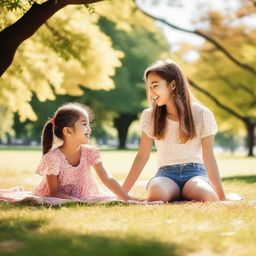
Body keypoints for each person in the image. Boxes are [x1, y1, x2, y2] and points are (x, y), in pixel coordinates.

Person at [122, 59, 226, 203]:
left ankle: (187, 193)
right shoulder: (149, 116)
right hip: (165, 175)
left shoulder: (202, 114)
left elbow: (209, 157)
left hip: (195, 174)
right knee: (157, 194)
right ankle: (178, 194)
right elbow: (142, 156)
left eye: (155, 86)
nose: (151, 92)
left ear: (173, 84)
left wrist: (222, 197)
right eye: (149, 87)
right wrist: (122, 193)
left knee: (207, 196)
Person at [33, 102, 139, 202]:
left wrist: (126, 197)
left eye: (89, 124)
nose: (89, 129)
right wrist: (77, 201)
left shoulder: (90, 152)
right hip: (62, 197)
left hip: (86, 194)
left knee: (109, 198)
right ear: (68, 131)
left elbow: (106, 178)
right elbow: (53, 193)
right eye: (84, 124)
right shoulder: (53, 158)